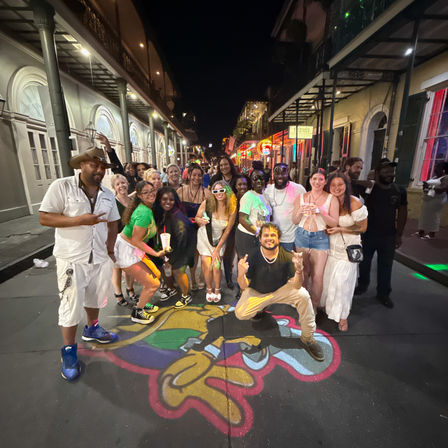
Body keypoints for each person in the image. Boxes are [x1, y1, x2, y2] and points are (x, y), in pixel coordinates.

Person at [39, 146, 120, 381]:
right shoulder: (62, 187)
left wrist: (110, 247)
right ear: (82, 165)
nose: (99, 170)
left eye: (103, 166)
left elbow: (113, 222)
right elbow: (44, 217)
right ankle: (68, 352)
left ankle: (92, 327)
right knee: (71, 305)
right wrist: (79, 220)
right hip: (72, 258)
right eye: (94, 165)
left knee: (95, 296)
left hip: (99, 258)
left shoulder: (107, 194)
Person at [235, 223, 324, 362]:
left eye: (273, 235)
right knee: (240, 313)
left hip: (280, 290)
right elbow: (244, 286)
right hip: (258, 292)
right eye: (266, 235)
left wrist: (299, 270)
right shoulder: (251, 256)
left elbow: (297, 285)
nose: (269, 238)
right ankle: (259, 309)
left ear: (278, 239)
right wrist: (241, 274)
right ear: (260, 239)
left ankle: (308, 339)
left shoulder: (287, 256)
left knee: (303, 296)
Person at [355, 158, 408, 308]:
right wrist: (367, 181)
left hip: (388, 236)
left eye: (391, 171)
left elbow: (403, 212)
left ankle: (383, 293)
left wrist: (399, 234)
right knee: (364, 263)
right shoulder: (369, 189)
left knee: (386, 265)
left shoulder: (399, 191)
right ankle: (363, 285)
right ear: (377, 173)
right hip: (368, 234)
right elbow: (350, 183)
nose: (390, 174)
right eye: (385, 171)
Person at [321, 173, 368, 331]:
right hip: (332, 250)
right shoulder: (329, 202)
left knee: (343, 285)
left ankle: (343, 316)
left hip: (348, 251)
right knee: (329, 283)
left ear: (346, 186)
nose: (336, 188)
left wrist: (341, 228)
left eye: (340, 185)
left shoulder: (354, 202)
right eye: (333, 185)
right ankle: (330, 310)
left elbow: (362, 227)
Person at [114, 181, 166, 324]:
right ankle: (137, 312)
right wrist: (156, 254)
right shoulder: (143, 212)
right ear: (139, 196)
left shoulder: (145, 208)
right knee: (153, 284)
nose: (151, 194)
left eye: (152, 190)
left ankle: (142, 302)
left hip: (131, 248)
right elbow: (137, 240)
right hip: (127, 251)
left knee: (155, 275)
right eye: (146, 192)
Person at [292, 168, 339, 311]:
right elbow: (294, 220)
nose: (317, 182)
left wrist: (321, 212)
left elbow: (334, 223)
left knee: (318, 276)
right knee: (303, 273)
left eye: (321, 179)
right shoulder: (301, 197)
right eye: (314, 179)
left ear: (325, 182)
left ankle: (314, 307)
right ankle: (303, 304)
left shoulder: (331, 198)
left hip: (320, 237)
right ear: (310, 180)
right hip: (302, 236)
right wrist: (300, 210)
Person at [153, 187, 196, 308]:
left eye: (171, 199)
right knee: (171, 272)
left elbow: (183, 239)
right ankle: (173, 289)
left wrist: (171, 258)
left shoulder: (177, 216)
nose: (168, 202)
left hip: (180, 251)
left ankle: (186, 296)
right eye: (164, 199)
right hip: (170, 251)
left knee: (178, 272)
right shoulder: (164, 213)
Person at [195, 181, 237, 303]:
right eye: (215, 191)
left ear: (227, 191)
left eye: (221, 190)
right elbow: (197, 217)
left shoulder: (232, 207)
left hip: (219, 240)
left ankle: (217, 289)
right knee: (207, 265)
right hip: (205, 237)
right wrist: (201, 221)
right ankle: (209, 289)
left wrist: (217, 249)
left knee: (216, 266)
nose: (218, 193)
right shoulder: (207, 203)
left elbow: (228, 230)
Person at [177, 164, 211, 290]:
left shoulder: (206, 192)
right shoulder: (181, 191)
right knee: (189, 255)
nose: (196, 178)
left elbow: (211, 211)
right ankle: (191, 277)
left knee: (199, 254)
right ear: (189, 176)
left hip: (200, 228)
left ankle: (198, 278)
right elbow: (174, 209)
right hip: (185, 227)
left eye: (199, 175)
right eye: (194, 175)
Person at [264, 163, 306, 252]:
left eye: (283, 173)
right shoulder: (267, 191)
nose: (280, 176)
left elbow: (305, 211)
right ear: (273, 174)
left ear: (288, 173)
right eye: (277, 173)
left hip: (291, 239)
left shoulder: (298, 189)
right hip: (273, 238)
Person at [110, 174, 136, 305]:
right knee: (117, 268)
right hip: (117, 239)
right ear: (114, 187)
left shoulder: (132, 201)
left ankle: (130, 289)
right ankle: (118, 294)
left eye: (123, 183)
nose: (121, 186)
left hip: (131, 240)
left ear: (127, 184)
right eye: (118, 184)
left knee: (130, 266)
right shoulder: (113, 202)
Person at [235, 169, 272, 259]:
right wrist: (257, 232)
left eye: (261, 178)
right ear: (251, 182)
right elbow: (243, 219)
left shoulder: (265, 196)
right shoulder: (248, 196)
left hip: (260, 237)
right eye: (255, 178)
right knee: (247, 266)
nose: (259, 181)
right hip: (248, 237)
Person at [417, 161, 448, 239]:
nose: (435, 169)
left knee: (434, 216)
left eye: (437, 167)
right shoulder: (434, 177)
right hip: (428, 198)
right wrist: (425, 186)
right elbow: (428, 186)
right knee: (424, 215)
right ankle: (421, 231)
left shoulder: (446, 177)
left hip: (437, 200)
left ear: (443, 169)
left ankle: (432, 233)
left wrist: (430, 187)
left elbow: (443, 188)